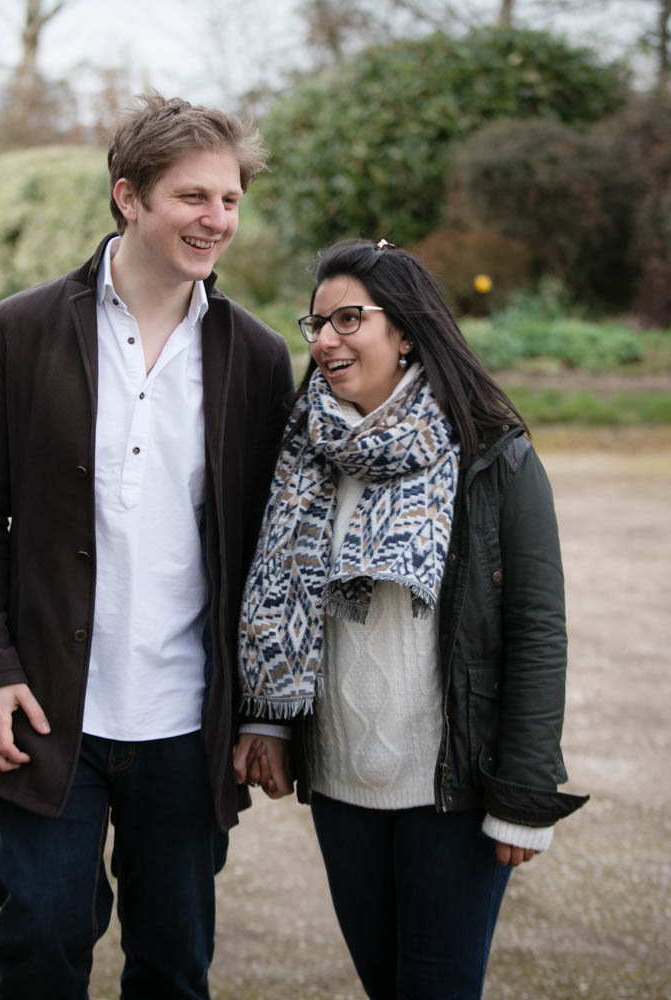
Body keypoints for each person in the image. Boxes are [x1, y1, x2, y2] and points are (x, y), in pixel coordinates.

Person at [0, 94, 294, 1000]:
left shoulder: (254, 357)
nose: (216, 219)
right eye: (192, 197)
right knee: (40, 948)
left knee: (175, 965)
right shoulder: (20, 332)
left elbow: (270, 550)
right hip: (50, 712)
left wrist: (263, 711)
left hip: (188, 722)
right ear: (128, 196)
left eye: (229, 199)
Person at [232, 239, 587, 999]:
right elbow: (280, 598)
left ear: (408, 332)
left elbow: (536, 629)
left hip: (450, 789)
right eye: (317, 322)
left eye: (349, 318)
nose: (326, 340)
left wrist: (523, 798)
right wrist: (269, 720)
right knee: (383, 983)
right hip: (339, 781)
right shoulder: (300, 450)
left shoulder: (493, 456)